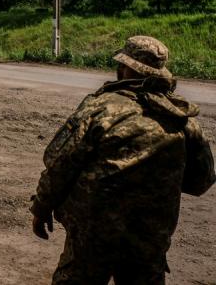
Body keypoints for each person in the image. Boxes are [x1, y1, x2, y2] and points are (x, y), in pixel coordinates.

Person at [31, 35, 216, 285]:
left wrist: (41, 208)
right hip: (150, 239)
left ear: (126, 68)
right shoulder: (183, 120)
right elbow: (201, 181)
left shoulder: (101, 109)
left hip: (93, 237)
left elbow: (59, 164)